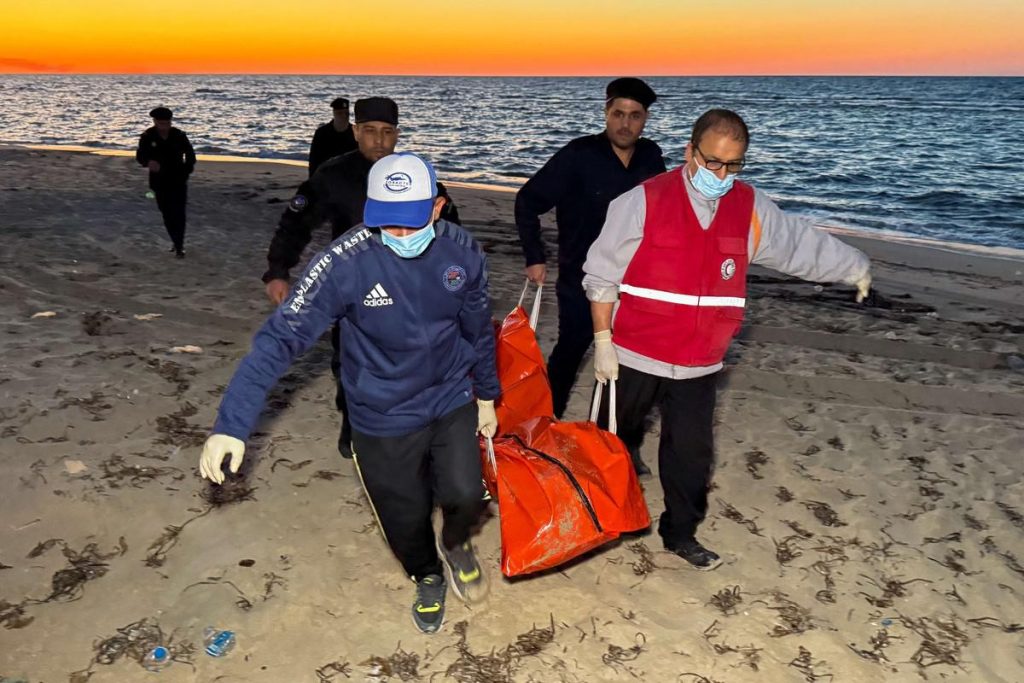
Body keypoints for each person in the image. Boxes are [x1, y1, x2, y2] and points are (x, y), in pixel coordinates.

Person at [199, 152, 499, 634]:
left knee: (467, 494)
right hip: (382, 412)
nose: (400, 234)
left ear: (438, 208)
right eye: (388, 222)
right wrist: (231, 425)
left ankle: (457, 544)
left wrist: (486, 395)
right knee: (405, 517)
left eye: (413, 221)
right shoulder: (343, 263)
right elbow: (279, 339)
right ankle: (427, 574)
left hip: (449, 395)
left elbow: (479, 330)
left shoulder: (463, 253)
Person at [583, 109, 872, 571]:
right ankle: (591, 517)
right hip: (634, 353)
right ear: (689, 152)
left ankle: (681, 534)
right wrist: (602, 342)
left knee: (691, 457)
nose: (721, 175)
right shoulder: (642, 201)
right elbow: (601, 277)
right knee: (607, 441)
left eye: (733, 165)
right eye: (713, 162)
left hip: (700, 361)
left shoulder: (750, 208)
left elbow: (798, 245)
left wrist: (855, 267)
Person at [261, 97, 461, 458]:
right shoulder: (333, 175)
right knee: (349, 363)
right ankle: (353, 424)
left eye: (387, 132)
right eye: (369, 131)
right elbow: (295, 223)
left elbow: (451, 230)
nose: (379, 140)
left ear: (397, 134)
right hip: (352, 287)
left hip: (409, 286)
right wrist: (278, 270)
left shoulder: (416, 175)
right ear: (355, 132)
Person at [515, 78, 665, 455]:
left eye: (634, 116)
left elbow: (663, 215)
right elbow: (527, 200)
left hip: (634, 283)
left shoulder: (651, 157)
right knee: (570, 353)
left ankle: (613, 443)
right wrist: (535, 256)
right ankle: (542, 430)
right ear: (606, 113)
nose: (625, 124)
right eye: (618, 114)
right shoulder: (578, 154)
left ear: (645, 119)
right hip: (580, 281)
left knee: (625, 365)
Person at [135, 107, 196, 258]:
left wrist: (186, 170)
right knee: (167, 213)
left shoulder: (179, 135)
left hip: (178, 178)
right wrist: (148, 162)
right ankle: (175, 241)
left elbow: (190, 155)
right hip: (158, 180)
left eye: (167, 123)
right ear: (155, 122)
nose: (164, 126)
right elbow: (140, 156)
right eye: (161, 123)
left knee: (179, 212)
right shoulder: (148, 136)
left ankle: (179, 245)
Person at [308, 97, 357, 176]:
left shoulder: (355, 132)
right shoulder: (322, 133)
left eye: (346, 113)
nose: (344, 116)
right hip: (326, 176)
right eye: (340, 113)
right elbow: (314, 160)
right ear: (334, 113)